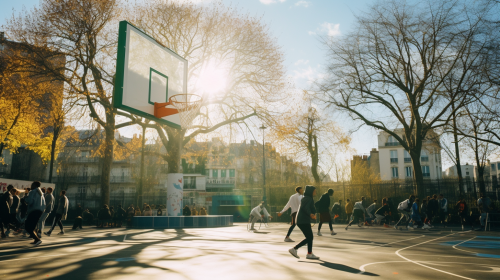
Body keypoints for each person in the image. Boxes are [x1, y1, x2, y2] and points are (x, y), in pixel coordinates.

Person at [288, 185, 319, 260]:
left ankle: (309, 253)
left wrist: (313, 213)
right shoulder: (308, 198)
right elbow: (305, 207)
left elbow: (310, 207)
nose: (315, 192)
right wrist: (310, 214)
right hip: (303, 221)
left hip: (302, 220)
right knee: (310, 237)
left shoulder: (307, 198)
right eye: (314, 191)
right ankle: (295, 249)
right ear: (311, 192)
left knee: (309, 237)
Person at [25, 181, 45, 246]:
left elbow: (30, 202)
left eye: (32, 185)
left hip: (33, 210)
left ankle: (37, 239)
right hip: (40, 210)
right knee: (32, 226)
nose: (31, 186)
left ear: (34, 185)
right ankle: (36, 239)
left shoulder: (32, 192)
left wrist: (25, 199)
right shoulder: (41, 193)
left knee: (27, 226)